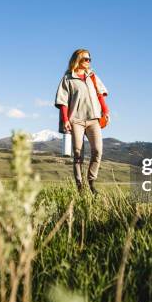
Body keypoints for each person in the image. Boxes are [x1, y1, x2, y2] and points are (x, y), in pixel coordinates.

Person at [54, 49, 110, 195]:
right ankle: (80, 186)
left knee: (98, 151)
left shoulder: (92, 76)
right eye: (86, 59)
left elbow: (100, 95)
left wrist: (105, 111)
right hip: (76, 120)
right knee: (78, 153)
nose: (89, 61)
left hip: (93, 119)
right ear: (77, 59)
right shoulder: (68, 78)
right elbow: (63, 102)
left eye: (90, 59)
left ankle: (91, 182)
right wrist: (65, 120)